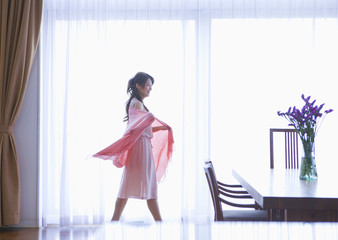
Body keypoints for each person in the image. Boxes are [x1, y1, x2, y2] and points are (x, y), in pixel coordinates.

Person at [93, 72, 174, 222]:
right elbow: (136, 128)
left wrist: (162, 128)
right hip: (140, 148)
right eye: (148, 85)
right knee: (146, 187)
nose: (150, 88)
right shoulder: (137, 103)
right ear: (138, 85)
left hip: (141, 146)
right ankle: (159, 223)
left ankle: (115, 221)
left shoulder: (137, 103)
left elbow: (141, 127)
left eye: (151, 85)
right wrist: (153, 120)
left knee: (130, 185)